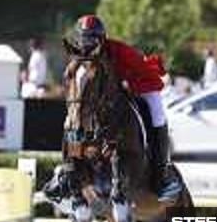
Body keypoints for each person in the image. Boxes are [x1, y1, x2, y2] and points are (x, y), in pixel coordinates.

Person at [57, 14, 182, 203]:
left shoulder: (121, 51)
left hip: (141, 82)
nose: (86, 45)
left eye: (91, 40)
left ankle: (161, 173)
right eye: (83, 40)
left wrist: (124, 84)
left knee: (157, 114)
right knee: (71, 121)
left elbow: (145, 74)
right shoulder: (81, 54)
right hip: (102, 96)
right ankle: (67, 174)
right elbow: (72, 77)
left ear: (101, 39)